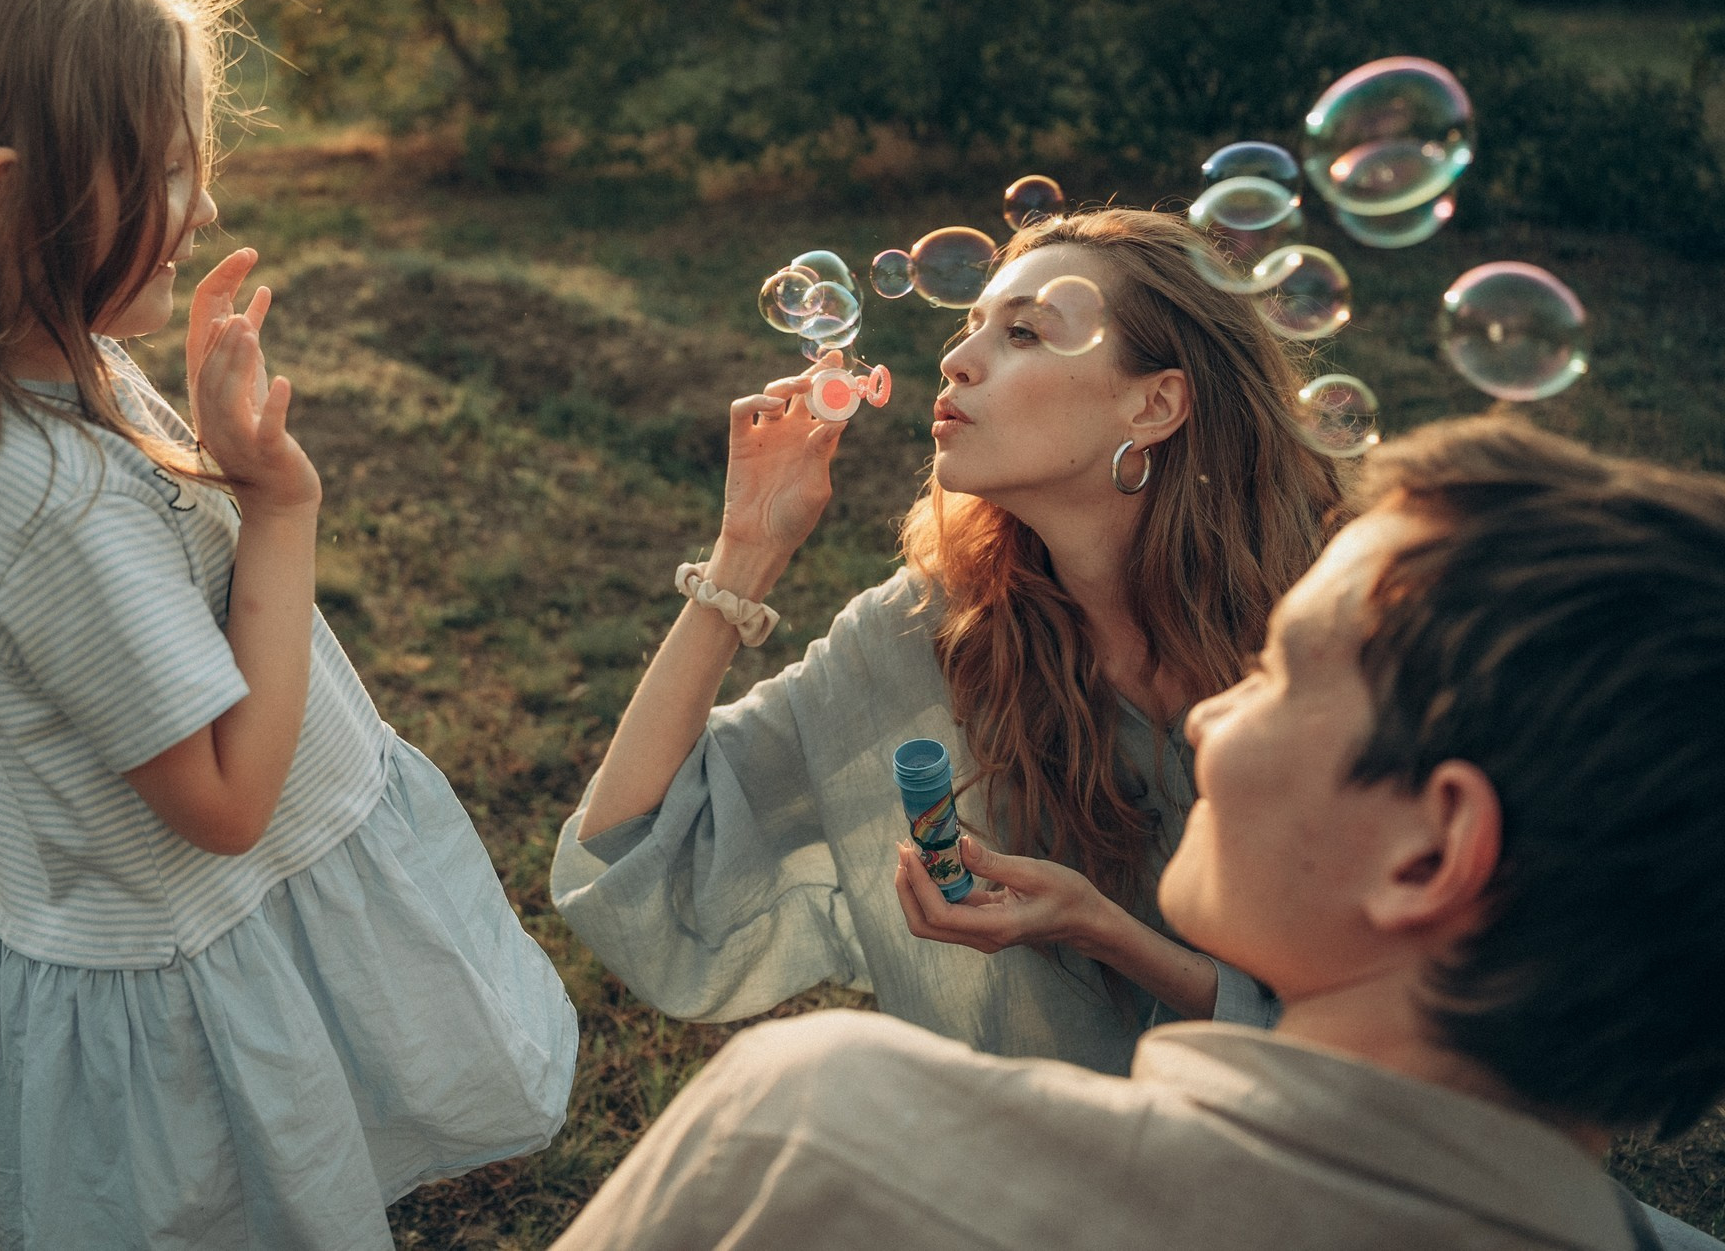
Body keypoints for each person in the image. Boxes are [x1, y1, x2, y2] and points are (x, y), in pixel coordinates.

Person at [0, 0, 574, 1250]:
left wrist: (211, 459)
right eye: (171, 171)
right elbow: (226, 800)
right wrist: (280, 503)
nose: (203, 209)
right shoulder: (40, 497)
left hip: (223, 930)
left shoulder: (61, 369)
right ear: (7, 198)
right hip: (188, 964)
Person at [551, 414, 1725, 1250]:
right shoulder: (927, 626)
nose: (1213, 719)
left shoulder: (812, 1133)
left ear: (1428, 853)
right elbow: (640, 844)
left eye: (1279, 676)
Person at [555, 210, 1341, 1071]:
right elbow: (629, 849)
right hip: (1061, 1128)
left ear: (1153, 404)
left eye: (1023, 332)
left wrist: (1103, 929)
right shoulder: (945, 627)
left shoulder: (1341, 630)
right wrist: (745, 550)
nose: (956, 359)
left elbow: (1392, 1025)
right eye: (971, 326)